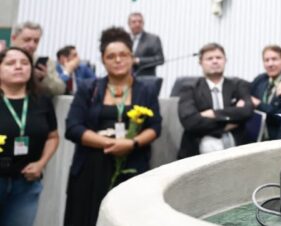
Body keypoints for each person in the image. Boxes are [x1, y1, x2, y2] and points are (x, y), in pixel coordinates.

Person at [64, 27, 161, 226]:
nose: (118, 60)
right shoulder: (88, 88)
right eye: (111, 56)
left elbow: (155, 126)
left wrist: (131, 143)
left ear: (132, 57)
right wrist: (108, 143)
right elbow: (73, 127)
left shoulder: (146, 90)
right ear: (103, 59)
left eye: (123, 55)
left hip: (132, 165)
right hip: (90, 168)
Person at [0, 47, 58, 226]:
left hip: (26, 182)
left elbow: (53, 137)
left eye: (24, 63)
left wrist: (41, 164)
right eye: (10, 63)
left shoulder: (41, 100)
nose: (19, 67)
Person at [177, 43, 253, 158]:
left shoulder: (238, 85)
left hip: (236, 150)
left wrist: (213, 114)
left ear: (225, 60)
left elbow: (247, 111)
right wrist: (227, 123)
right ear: (200, 62)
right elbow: (190, 121)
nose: (215, 61)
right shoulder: (189, 88)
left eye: (218, 57)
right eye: (209, 58)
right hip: (197, 152)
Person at [10, 22, 65, 97]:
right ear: (14, 38)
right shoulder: (3, 59)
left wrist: (46, 78)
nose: (32, 45)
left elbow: (60, 89)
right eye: (27, 40)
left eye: (36, 41)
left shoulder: (46, 63)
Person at [249, 45, 281, 140]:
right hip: (258, 138)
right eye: (266, 60)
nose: (270, 64)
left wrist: (259, 104)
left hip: (279, 138)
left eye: (274, 59)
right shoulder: (260, 80)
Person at [128, 12, 164, 77]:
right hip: (125, 81)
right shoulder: (123, 39)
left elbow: (160, 59)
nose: (137, 24)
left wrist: (138, 60)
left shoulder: (153, 39)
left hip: (145, 80)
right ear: (129, 24)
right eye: (134, 22)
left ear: (143, 23)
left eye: (140, 22)